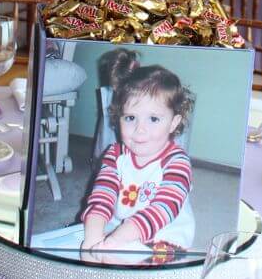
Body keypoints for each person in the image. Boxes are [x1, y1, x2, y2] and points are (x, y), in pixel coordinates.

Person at [82, 55, 196, 260]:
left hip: (164, 234)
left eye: (153, 119)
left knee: (145, 276)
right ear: (118, 119)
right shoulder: (114, 155)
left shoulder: (178, 162)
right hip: (119, 227)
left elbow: (163, 209)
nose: (139, 130)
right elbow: (101, 197)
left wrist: (116, 241)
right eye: (130, 118)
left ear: (173, 123)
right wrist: (91, 240)